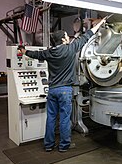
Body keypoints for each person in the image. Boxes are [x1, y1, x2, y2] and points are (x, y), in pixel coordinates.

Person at [18, 17, 107, 152]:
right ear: (64, 40)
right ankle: (64, 146)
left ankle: (48, 145)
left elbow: (34, 54)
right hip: (65, 90)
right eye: (67, 36)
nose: (69, 38)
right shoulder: (71, 49)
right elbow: (88, 34)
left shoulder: (48, 53)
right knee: (65, 119)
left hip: (52, 90)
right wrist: (100, 23)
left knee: (51, 119)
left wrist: (23, 51)